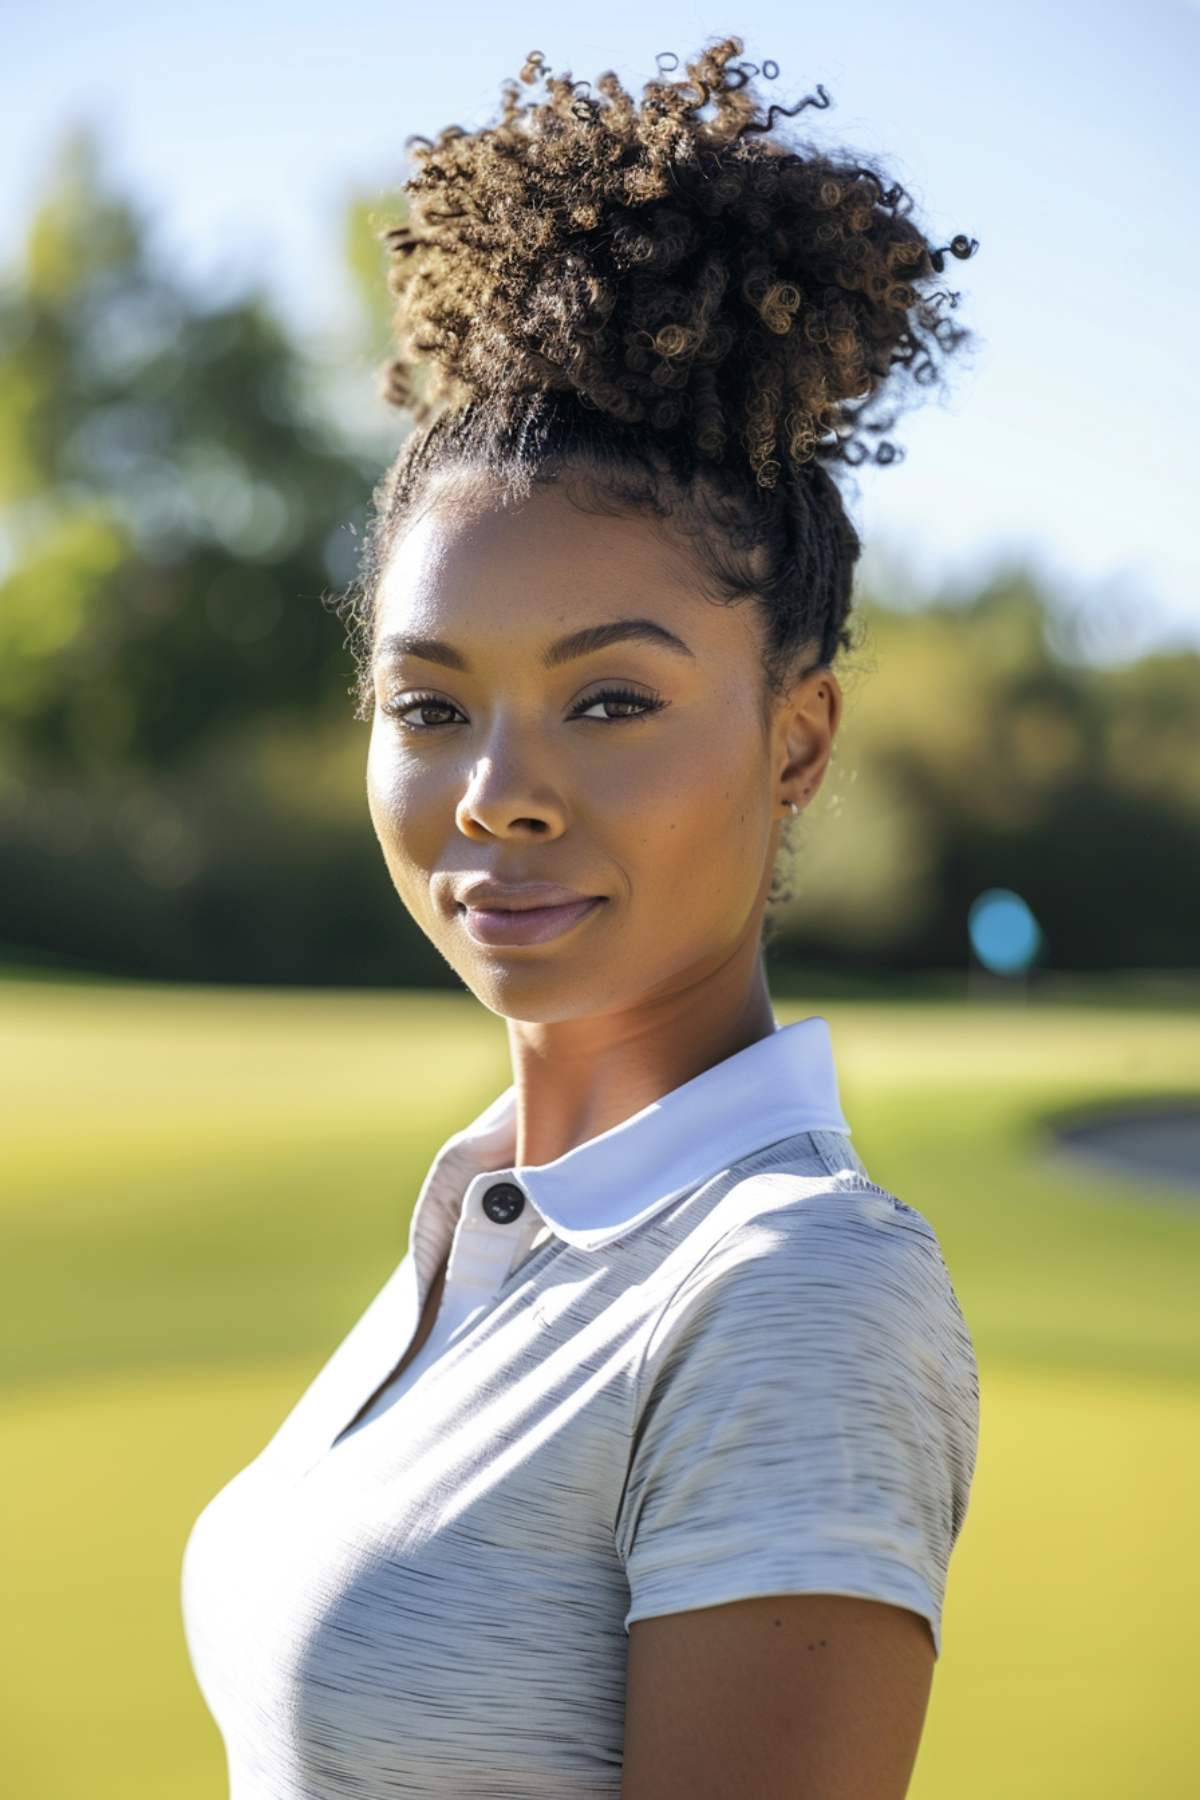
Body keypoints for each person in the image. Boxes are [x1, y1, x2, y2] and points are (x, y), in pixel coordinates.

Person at [182, 35, 981, 1799]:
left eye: (609, 702)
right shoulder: (485, 1215)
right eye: (432, 705)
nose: (498, 792)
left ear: (798, 738)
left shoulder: (796, 1291)